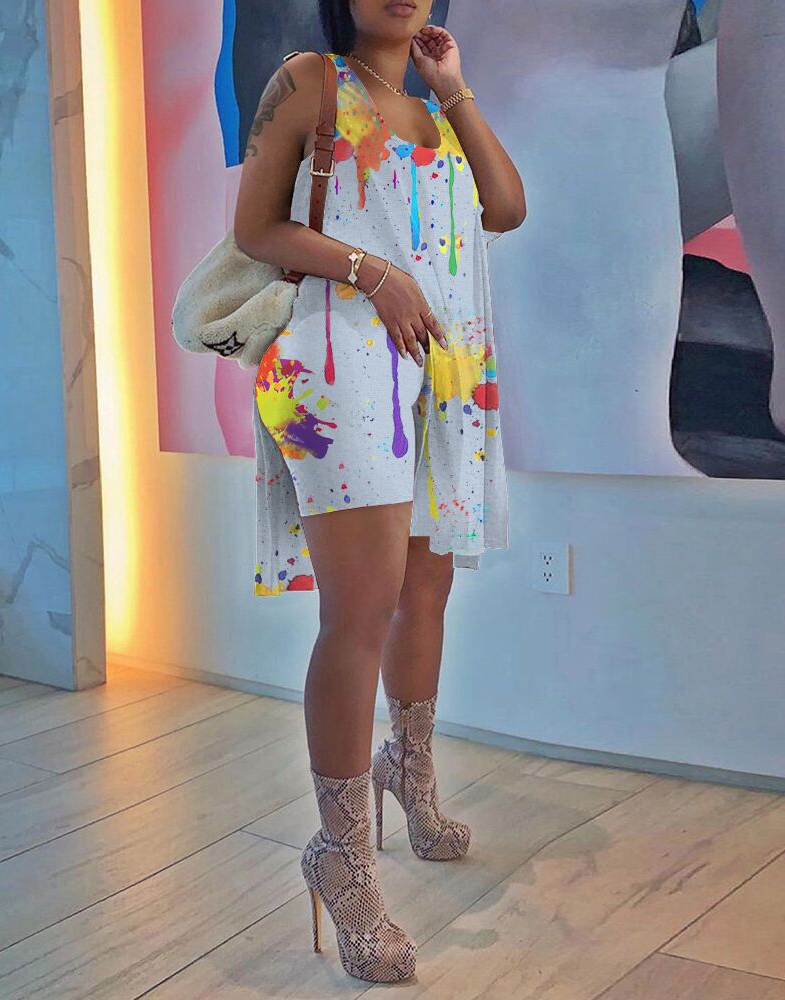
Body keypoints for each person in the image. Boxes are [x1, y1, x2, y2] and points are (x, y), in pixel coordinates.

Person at [234, 0, 526, 983]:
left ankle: (409, 769)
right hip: (338, 357)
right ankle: (343, 859)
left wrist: (456, 91)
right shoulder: (311, 80)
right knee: (358, 612)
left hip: (440, 366)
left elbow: (505, 206)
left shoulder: (436, 108)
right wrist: (372, 272)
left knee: (425, 589)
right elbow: (255, 228)